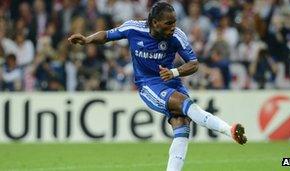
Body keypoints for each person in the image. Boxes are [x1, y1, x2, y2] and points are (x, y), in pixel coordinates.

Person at [68, 2, 247, 171]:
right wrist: (87, 39)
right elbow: (107, 35)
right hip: (148, 84)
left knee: (182, 124)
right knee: (184, 104)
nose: (173, 27)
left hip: (171, 80)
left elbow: (193, 63)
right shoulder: (133, 28)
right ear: (155, 22)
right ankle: (229, 130)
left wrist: (175, 72)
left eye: (175, 22)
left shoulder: (177, 36)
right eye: (168, 23)